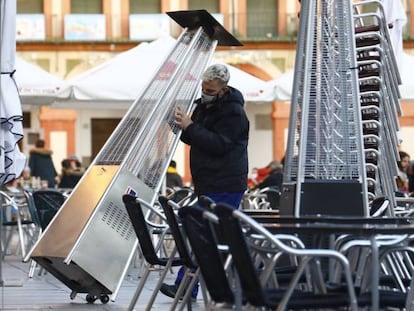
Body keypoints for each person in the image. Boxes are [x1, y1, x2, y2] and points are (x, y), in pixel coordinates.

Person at [160, 63, 250, 301]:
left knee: (203, 232)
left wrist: (191, 126)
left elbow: (220, 145)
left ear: (222, 89)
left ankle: (187, 287)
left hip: (226, 183)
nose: (205, 91)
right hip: (208, 182)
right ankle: (191, 287)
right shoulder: (205, 106)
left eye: (209, 88)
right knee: (209, 235)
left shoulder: (234, 113)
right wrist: (177, 124)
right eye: (203, 86)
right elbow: (195, 136)